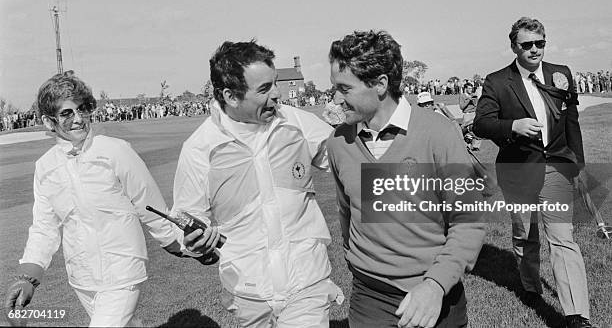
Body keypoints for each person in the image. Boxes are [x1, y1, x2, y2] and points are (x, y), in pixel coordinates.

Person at [172, 41, 343, 327]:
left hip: (307, 280)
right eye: (264, 89)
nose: (277, 94)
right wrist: (196, 243)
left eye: (274, 84)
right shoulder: (200, 148)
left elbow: (350, 165)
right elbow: (189, 215)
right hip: (247, 291)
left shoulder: (295, 122)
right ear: (231, 96)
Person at [327, 30, 485, 328]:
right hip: (369, 297)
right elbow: (346, 212)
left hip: (437, 292)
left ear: (380, 85)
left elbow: (469, 221)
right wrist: (359, 262)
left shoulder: (438, 134)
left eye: (344, 89)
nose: (336, 99)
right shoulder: (338, 143)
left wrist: (435, 285)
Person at [4, 71, 181, 327]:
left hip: (123, 270)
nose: (79, 119)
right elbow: (45, 227)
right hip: (81, 277)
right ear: (48, 121)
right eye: (67, 113)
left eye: (83, 109)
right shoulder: (45, 167)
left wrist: (178, 242)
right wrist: (29, 276)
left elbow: (148, 203)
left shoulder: (115, 150)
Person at [473, 17, 592, 328]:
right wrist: (512, 126)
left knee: (563, 238)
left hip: (556, 167)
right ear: (514, 46)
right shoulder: (498, 81)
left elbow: (572, 120)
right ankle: (530, 287)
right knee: (526, 235)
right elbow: (481, 123)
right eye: (527, 44)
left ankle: (577, 315)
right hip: (518, 169)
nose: (535, 50)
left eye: (540, 43)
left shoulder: (561, 73)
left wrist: (576, 163)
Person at [459, 83, 481, 151]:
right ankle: (467, 145)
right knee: (467, 131)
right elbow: (462, 107)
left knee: (477, 129)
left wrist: (475, 100)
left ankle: (475, 146)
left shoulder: (473, 95)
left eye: (471, 88)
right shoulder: (462, 96)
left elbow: (476, 105)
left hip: (474, 113)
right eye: (469, 88)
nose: (470, 90)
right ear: (465, 89)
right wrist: (468, 100)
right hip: (467, 114)